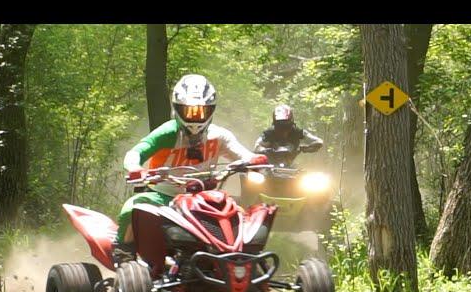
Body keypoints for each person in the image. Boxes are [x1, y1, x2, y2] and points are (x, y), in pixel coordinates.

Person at [113, 74, 266, 263]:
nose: (195, 117)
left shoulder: (219, 136)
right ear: (178, 109)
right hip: (163, 195)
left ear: (211, 110)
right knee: (131, 208)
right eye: (189, 111)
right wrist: (135, 168)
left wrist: (255, 160)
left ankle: (244, 261)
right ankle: (123, 254)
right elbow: (136, 152)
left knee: (242, 218)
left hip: (206, 199)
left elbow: (243, 154)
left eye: (201, 111)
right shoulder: (167, 132)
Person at [254, 104, 323, 162]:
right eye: (280, 125)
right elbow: (257, 146)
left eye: (285, 124)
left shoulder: (298, 132)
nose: (283, 129)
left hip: (290, 166)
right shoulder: (269, 133)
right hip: (269, 165)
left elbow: (319, 141)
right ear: (275, 123)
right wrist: (265, 150)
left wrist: (306, 148)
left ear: (291, 121)